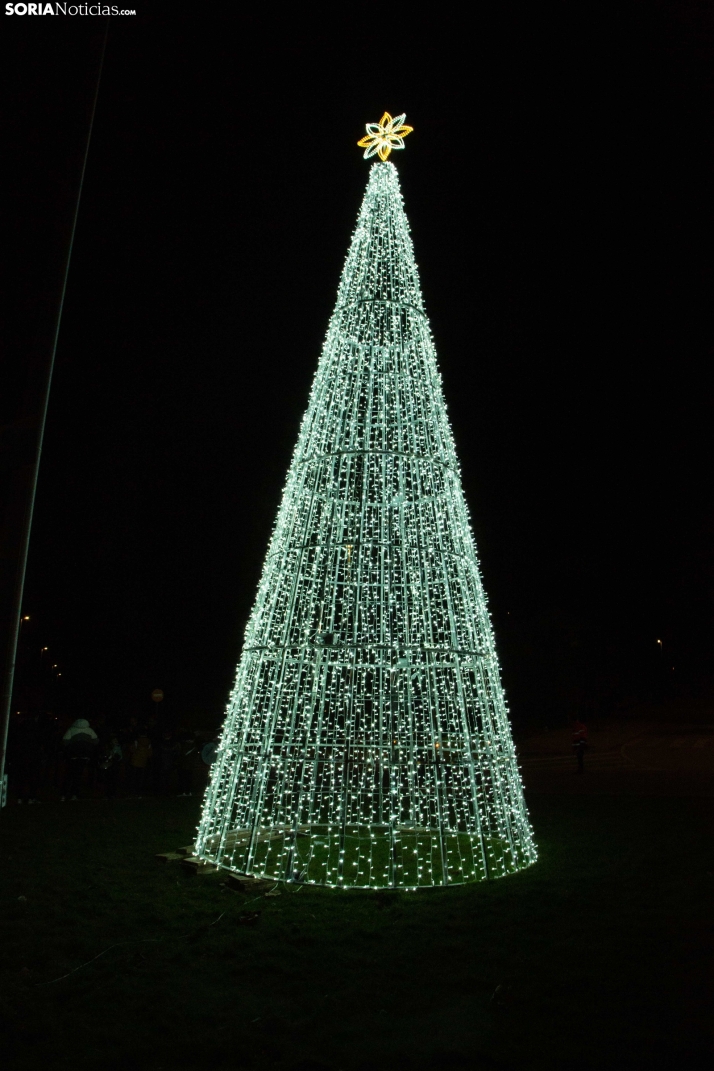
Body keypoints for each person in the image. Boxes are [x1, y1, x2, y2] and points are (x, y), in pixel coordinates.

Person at [61, 718, 99, 800]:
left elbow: (65, 741)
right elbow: (96, 741)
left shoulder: (71, 729)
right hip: (84, 756)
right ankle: (74, 794)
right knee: (78, 775)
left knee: (69, 774)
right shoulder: (90, 730)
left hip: (72, 755)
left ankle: (64, 794)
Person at [128, 728, 153, 796]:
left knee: (134, 777)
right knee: (141, 778)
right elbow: (150, 753)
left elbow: (131, 750)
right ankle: (140, 792)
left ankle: (133, 792)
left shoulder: (136, 741)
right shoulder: (149, 742)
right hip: (143, 762)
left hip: (135, 762)